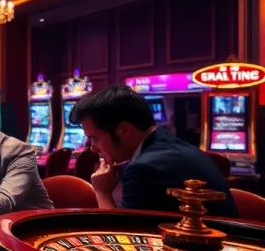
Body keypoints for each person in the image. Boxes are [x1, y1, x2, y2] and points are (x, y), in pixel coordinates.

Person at [70, 85, 238, 216]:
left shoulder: (144, 169)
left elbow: (123, 237)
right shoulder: (167, 143)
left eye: (95, 138)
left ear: (123, 130)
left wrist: (102, 192)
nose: (92, 148)